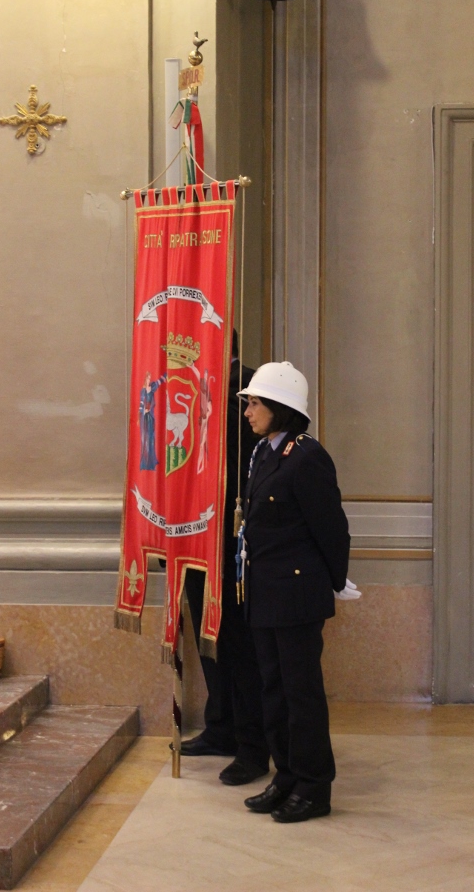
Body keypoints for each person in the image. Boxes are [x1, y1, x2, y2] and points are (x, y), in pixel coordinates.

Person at [237, 361, 350, 823]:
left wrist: (336, 581)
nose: (248, 412)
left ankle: (313, 786)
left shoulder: (306, 457)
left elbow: (331, 528)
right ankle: (286, 777)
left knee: (302, 694)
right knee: (274, 689)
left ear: (280, 407)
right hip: (265, 592)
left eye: (255, 403)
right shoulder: (264, 453)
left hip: (297, 595)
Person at [182, 331, 270, 786]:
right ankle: (221, 725)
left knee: (238, 643)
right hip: (195, 537)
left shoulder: (249, 390)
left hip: (232, 541)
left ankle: (250, 738)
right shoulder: (188, 387)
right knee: (208, 638)